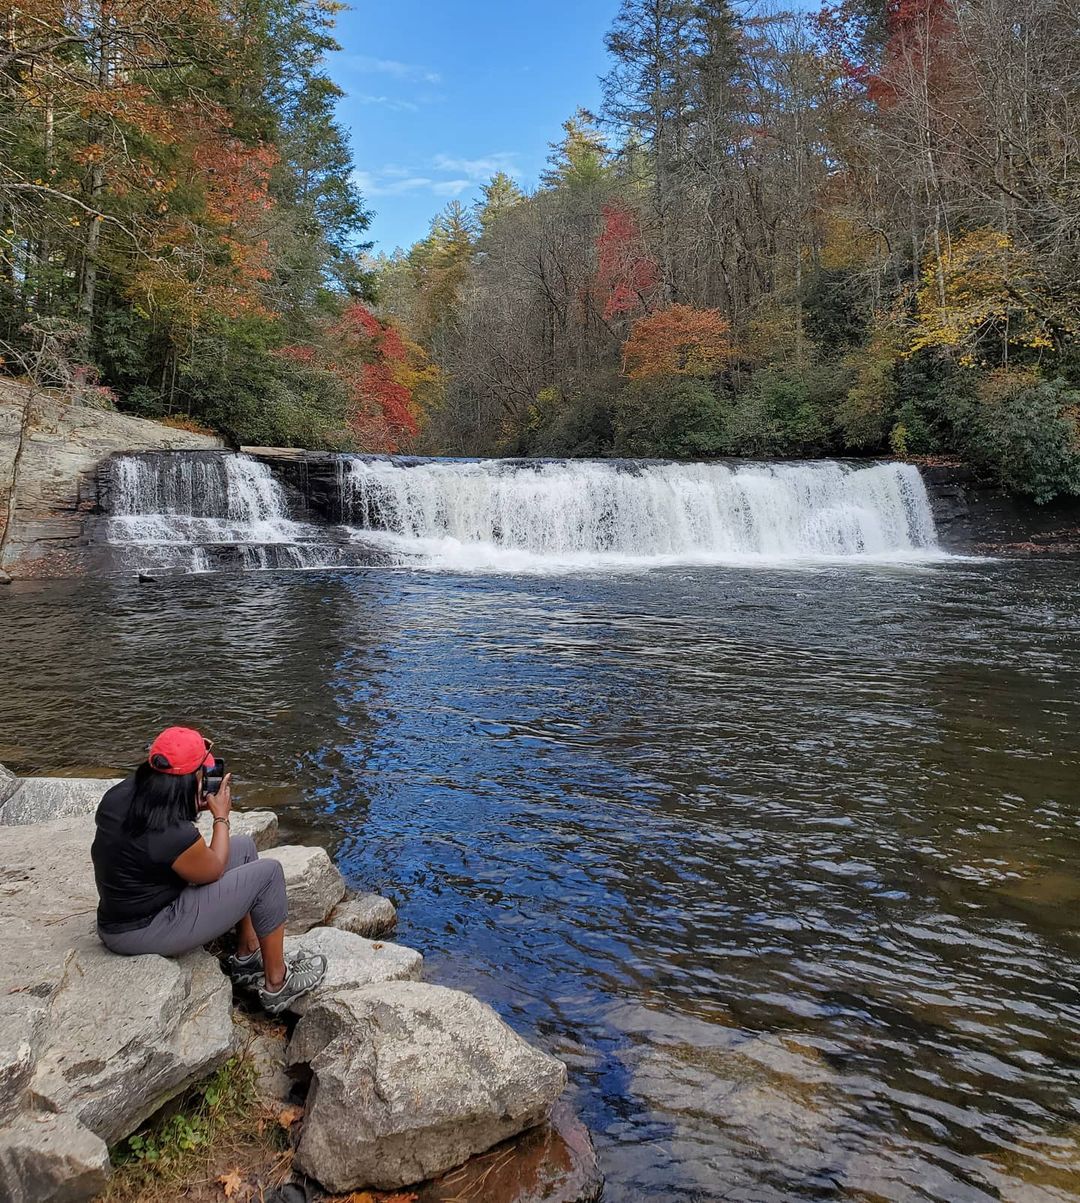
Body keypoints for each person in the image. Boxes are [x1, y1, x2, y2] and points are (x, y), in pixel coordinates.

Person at [91, 726, 327, 1014]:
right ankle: (277, 984)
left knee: (243, 849)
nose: (206, 779)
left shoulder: (121, 795)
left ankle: (247, 957)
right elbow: (212, 870)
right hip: (145, 928)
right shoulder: (172, 835)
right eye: (202, 774)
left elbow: (151, 843)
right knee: (269, 874)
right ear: (189, 781)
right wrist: (220, 817)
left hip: (125, 913)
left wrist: (192, 803)